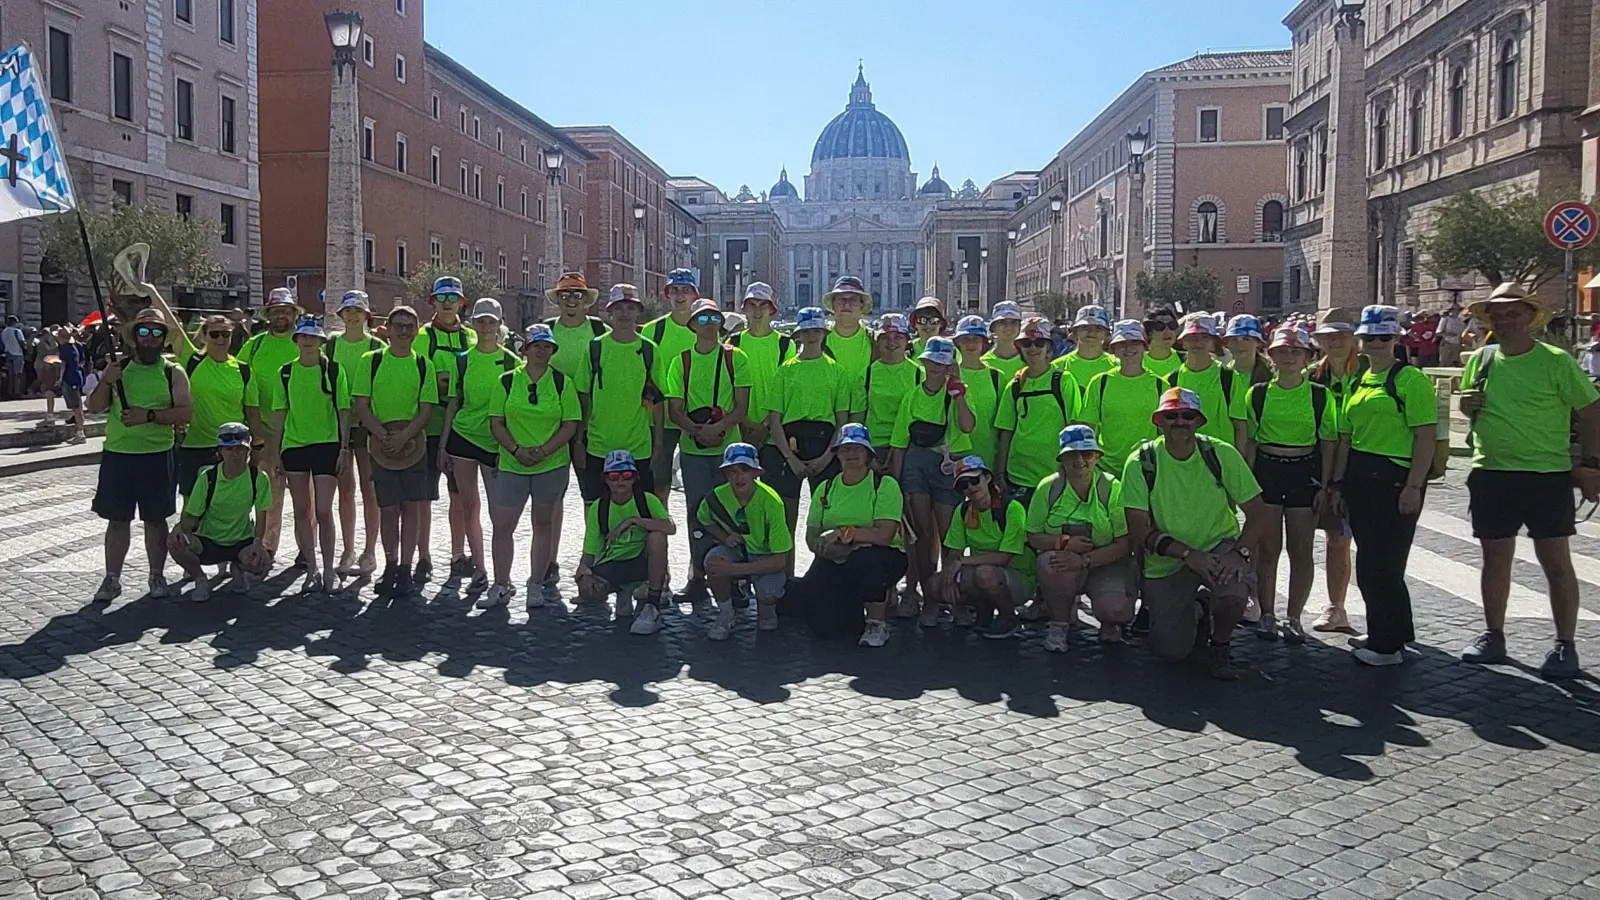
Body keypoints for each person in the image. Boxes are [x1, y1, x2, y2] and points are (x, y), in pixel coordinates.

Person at [1457, 284, 1600, 680]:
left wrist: (1591, 464)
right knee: (1494, 561)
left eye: (1512, 314)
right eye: (1497, 315)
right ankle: (1493, 635)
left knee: (1556, 562)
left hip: (1546, 475)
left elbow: (1590, 411)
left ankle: (1565, 644)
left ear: (1529, 317)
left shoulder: (1555, 361)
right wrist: (1466, 407)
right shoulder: (1482, 360)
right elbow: (1471, 407)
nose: (1504, 321)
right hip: (1491, 472)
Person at [1122, 388, 1264, 679]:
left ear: (1199, 421)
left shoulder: (1221, 453)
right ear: (1159, 421)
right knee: (1171, 652)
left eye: (1187, 416)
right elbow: (1138, 529)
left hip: (1218, 548)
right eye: (1171, 416)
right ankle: (1199, 608)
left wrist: (1240, 553)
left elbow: (1259, 512)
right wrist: (1188, 555)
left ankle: (1220, 645)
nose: (1180, 422)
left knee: (1233, 592)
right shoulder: (1141, 462)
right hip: (1168, 560)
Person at [1328, 305, 1437, 667]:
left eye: (1383, 337)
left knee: (1383, 565)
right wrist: (1339, 484)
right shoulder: (1358, 380)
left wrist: (1413, 486)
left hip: (1395, 476)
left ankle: (1386, 646)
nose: (1375, 343)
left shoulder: (1410, 380)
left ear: (1395, 340)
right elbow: (1346, 437)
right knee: (1372, 560)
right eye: (1369, 337)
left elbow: (1425, 437)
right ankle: (1390, 630)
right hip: (1361, 475)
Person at [87, 308, 194, 602]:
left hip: (157, 455)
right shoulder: (117, 369)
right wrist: (106, 381)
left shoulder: (173, 372)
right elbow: (94, 406)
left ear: (164, 339)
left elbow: (185, 412)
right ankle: (112, 579)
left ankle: (156, 575)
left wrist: (149, 416)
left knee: (156, 520)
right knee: (117, 520)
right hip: (118, 455)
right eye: (144, 332)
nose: (150, 338)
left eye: (156, 332)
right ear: (134, 337)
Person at [1242, 324, 1338, 643]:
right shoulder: (1256, 394)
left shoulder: (1320, 396)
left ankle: (1294, 617)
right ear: (1271, 355)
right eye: (1282, 350)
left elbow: (1328, 444)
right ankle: (1268, 614)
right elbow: (1252, 443)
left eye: (1296, 351)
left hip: (1304, 471)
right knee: (1268, 549)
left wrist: (1325, 486)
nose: (1288, 357)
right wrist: (1249, 488)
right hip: (1268, 470)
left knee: (1301, 550)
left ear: (1308, 357)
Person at [485, 323, 581, 609]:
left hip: (550, 465)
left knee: (543, 525)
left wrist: (543, 450)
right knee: (503, 526)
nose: (542, 350)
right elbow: (496, 422)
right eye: (536, 345)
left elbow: (570, 424)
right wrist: (515, 449)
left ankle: (535, 583)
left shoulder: (563, 382)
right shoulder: (505, 381)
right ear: (525, 349)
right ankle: (501, 583)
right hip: (513, 465)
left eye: (547, 346)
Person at [665, 298, 753, 603]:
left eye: (714, 318)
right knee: (697, 514)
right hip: (693, 449)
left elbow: (742, 406)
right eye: (702, 319)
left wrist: (719, 429)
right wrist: (697, 431)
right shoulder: (682, 361)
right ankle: (698, 576)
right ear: (692, 325)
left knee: (735, 512)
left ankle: (738, 578)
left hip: (730, 451)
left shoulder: (735, 358)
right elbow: (674, 408)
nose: (709, 324)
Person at [795, 424, 908, 647]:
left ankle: (877, 622)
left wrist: (846, 535)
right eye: (845, 449)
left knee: (864, 562)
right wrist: (830, 548)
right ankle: (854, 612)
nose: (851, 454)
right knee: (824, 628)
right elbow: (811, 537)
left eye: (857, 448)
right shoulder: (825, 488)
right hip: (836, 556)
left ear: (868, 453)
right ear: (837, 454)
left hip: (882, 557)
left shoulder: (884, 485)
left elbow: (885, 535)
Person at [352, 305, 439, 595]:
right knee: (388, 509)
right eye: (398, 325)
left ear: (416, 331)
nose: (403, 331)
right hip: (380, 447)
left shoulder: (423, 364)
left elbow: (426, 410)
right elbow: (361, 406)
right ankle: (390, 563)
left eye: (409, 326)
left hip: (414, 446)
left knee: (412, 508)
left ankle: (405, 567)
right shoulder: (371, 361)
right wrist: (383, 436)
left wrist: (404, 437)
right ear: (387, 329)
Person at [890, 336, 975, 624]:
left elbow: (967, 426)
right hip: (916, 463)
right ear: (924, 363)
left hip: (949, 465)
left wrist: (959, 394)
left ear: (951, 365)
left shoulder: (959, 392)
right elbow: (899, 443)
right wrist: (897, 484)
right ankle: (929, 598)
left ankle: (953, 596)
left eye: (943, 363)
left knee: (951, 536)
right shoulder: (912, 395)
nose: (936, 368)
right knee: (922, 536)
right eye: (932, 363)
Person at [1027, 425, 1134, 651]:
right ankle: (1059, 624)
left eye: (1086, 454)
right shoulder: (1047, 488)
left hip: (1107, 565)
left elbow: (1125, 544)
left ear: (1097, 457)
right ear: (1062, 459)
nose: (1079, 461)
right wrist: (1063, 543)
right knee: (1049, 563)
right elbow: (1033, 535)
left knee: (1116, 609)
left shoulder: (1113, 488)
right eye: (1071, 455)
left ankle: (1111, 623)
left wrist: (1085, 560)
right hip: (1063, 563)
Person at [438, 298, 519, 593]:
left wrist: (511, 447)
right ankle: (480, 570)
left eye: (491, 321)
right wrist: (443, 446)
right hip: (463, 439)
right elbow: (453, 403)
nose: (486, 327)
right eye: (481, 321)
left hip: (496, 444)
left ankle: (503, 575)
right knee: (469, 507)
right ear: (473, 323)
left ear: (500, 325)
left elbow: (515, 409)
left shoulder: (511, 361)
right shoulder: (463, 359)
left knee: (500, 512)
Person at [271, 315, 351, 594]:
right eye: (303, 337)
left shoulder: (333, 370)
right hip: (294, 446)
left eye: (312, 337)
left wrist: (344, 448)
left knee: (324, 510)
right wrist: (275, 452)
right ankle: (312, 568)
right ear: (297, 340)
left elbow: (343, 411)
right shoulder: (285, 372)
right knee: (301, 511)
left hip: (327, 445)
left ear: (320, 341)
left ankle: (329, 569)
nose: (307, 341)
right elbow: (279, 414)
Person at [765, 306, 853, 545]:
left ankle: (824, 576)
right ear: (799, 335)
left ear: (824, 334)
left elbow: (842, 421)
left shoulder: (838, 372)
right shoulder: (784, 372)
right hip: (789, 446)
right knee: (785, 523)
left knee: (827, 519)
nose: (812, 336)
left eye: (816, 330)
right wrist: (790, 459)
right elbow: (774, 419)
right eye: (807, 331)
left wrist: (826, 457)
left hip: (825, 445)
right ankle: (786, 578)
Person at [168, 423, 273, 602]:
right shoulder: (207, 478)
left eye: (240, 449)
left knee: (261, 563)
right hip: (208, 540)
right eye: (229, 449)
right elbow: (191, 516)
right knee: (175, 543)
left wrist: (258, 544)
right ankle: (200, 579)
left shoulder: (259, 478)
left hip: (241, 541)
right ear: (220, 452)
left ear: (248, 452)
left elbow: (262, 515)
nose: (235, 454)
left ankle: (238, 570)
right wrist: (179, 530)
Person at [577, 284, 663, 504]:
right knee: (596, 507)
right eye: (619, 307)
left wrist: (659, 442)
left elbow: (658, 399)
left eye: (630, 307)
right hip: (599, 444)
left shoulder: (649, 350)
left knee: (642, 507)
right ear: (610, 311)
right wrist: (579, 440)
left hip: (638, 446)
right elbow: (583, 397)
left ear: (638, 311)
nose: (625, 313)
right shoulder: (595, 348)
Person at [696, 443, 793, 638]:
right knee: (713, 563)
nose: (739, 477)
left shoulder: (772, 502)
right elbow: (704, 519)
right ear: (725, 474)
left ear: (756, 473)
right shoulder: (715, 497)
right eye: (732, 471)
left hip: (765, 556)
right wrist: (724, 537)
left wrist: (734, 570)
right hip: (738, 551)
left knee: (768, 603)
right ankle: (726, 614)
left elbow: (780, 561)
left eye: (745, 470)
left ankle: (766, 609)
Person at [576, 450, 675, 634]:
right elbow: (590, 548)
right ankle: (625, 590)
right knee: (588, 590)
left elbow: (670, 527)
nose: (620, 481)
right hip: (614, 563)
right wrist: (583, 571)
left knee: (657, 536)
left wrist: (633, 520)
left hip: (642, 559)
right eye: (614, 476)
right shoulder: (599, 507)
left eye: (627, 475)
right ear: (606, 479)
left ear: (635, 478)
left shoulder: (647, 500)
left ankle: (652, 604)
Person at [1306, 307, 1362, 632]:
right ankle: (1335, 606)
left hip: (1366, 463)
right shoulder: (1312, 376)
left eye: (1342, 336)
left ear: (1353, 338)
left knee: (1367, 542)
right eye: (1329, 337)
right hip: (1326, 466)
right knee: (1336, 538)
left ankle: (1382, 612)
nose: (1336, 342)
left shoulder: (1371, 371)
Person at [419, 276, 477, 584]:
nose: (446, 303)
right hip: (429, 426)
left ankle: (458, 554)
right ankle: (423, 555)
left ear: (461, 303)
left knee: (459, 496)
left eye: (452, 298)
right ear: (432, 302)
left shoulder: (471, 337)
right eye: (441, 298)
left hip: (459, 429)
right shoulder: (422, 337)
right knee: (424, 496)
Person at [940, 457, 1031, 638]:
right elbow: (954, 551)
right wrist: (949, 578)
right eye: (963, 485)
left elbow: (1005, 558)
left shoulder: (1012, 508)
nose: (970, 488)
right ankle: (984, 612)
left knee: (985, 574)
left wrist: (961, 562)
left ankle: (1008, 619)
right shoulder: (963, 510)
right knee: (935, 586)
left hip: (1019, 577)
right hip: (982, 573)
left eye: (974, 480)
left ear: (987, 478)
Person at [997, 317, 1080, 508]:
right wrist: (1000, 474)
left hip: (1055, 473)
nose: (1033, 348)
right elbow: (1005, 433)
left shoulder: (1063, 381)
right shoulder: (1015, 385)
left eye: (1039, 343)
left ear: (1049, 348)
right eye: (1027, 343)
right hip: (1018, 475)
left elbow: (1073, 426)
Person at [329, 292, 385, 576]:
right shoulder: (330, 345)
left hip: (366, 422)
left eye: (358, 312)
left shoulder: (376, 346)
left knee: (369, 487)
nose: (352, 316)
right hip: (337, 423)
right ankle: (348, 548)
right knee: (345, 488)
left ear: (366, 316)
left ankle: (370, 550)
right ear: (341, 315)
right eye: (348, 311)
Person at [645, 269, 703, 501]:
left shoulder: (704, 330)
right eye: (675, 291)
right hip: (659, 420)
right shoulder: (653, 330)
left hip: (695, 416)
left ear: (694, 296)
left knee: (697, 482)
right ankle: (659, 529)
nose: (680, 296)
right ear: (667, 294)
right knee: (658, 482)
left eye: (686, 291)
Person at [1079, 320, 1164, 476]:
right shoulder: (1099, 383)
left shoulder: (1161, 385)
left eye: (1134, 343)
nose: (1129, 348)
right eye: (1122, 344)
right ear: (1114, 350)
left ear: (1144, 347)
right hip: (1106, 470)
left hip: (1147, 468)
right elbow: (1088, 428)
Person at [725, 282, 791, 453]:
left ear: (771, 310)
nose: (757, 311)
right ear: (744, 309)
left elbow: (788, 391)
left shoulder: (785, 344)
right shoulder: (732, 343)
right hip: (739, 432)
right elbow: (726, 388)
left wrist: (765, 426)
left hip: (776, 435)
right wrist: (745, 422)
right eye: (752, 305)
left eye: (763, 305)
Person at [1168, 313, 1248, 448]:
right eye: (1192, 338)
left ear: (1213, 344)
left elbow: (1240, 426)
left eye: (1204, 338)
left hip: (1221, 459)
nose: (1198, 342)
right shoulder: (1171, 380)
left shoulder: (1228, 377)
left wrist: (1237, 464)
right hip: (1182, 458)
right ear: (1183, 343)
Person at [952, 316, 1005, 473]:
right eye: (965, 339)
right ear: (958, 343)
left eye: (976, 339)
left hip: (988, 458)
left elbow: (1002, 423)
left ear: (984, 343)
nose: (971, 344)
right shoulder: (949, 374)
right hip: (955, 458)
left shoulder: (997, 377)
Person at [820, 276, 873, 420]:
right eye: (841, 299)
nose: (846, 305)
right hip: (827, 422)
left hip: (868, 423)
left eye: (853, 300)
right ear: (833, 305)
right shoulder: (819, 340)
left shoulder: (875, 341)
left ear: (862, 306)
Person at [862, 313, 918, 449]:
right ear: (878, 341)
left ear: (907, 341)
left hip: (907, 446)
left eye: (898, 337)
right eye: (885, 338)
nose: (891, 342)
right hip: (873, 445)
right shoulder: (866, 374)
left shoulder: (919, 374)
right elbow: (858, 416)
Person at [1054, 305, 1116, 394]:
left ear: (1106, 334)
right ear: (1075, 332)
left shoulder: (1117, 365)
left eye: (1098, 328)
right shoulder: (1058, 367)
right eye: (1085, 327)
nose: (1091, 332)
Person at [981, 302, 1026, 381]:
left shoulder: (1029, 360)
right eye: (1002, 322)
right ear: (993, 327)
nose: (1008, 327)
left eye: (1013, 322)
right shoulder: (983, 363)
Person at [56, 327, 87, 443]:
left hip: (70, 378)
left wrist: (60, 379)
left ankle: (80, 433)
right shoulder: (76, 346)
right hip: (77, 375)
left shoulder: (64, 348)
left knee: (76, 408)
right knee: (77, 407)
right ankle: (79, 431)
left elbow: (63, 365)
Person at [1225, 314, 1273, 386]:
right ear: (1228, 344)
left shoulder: (1272, 375)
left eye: (1246, 339)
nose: (1240, 344)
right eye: (1234, 339)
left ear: (1258, 342)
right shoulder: (1221, 374)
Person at [1142, 307, 1183, 379]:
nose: (1167, 331)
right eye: (1160, 326)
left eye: (1172, 325)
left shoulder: (1185, 359)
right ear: (1149, 332)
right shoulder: (1136, 360)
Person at [3, 314, 26, 399]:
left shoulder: (4, 332)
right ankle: (17, 392)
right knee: (18, 374)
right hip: (17, 354)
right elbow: (22, 342)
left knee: (11, 374)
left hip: (8, 353)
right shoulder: (17, 331)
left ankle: (10, 391)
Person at [1437, 303, 1466, 367]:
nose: (1457, 311)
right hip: (1447, 344)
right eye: (1455, 309)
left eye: (1458, 309)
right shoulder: (1445, 319)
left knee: (1456, 363)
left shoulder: (1461, 321)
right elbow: (1438, 332)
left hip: (1458, 344)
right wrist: (1449, 334)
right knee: (1445, 363)